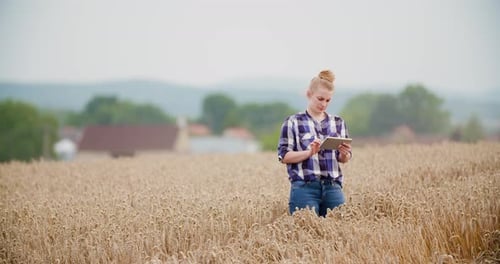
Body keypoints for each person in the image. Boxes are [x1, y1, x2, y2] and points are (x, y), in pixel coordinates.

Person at [277, 69, 352, 217]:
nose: (324, 104)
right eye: (320, 99)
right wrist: (309, 153)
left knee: (340, 233)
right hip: (304, 188)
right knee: (306, 233)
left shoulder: (338, 122)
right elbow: (284, 156)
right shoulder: (293, 122)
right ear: (309, 94)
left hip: (333, 188)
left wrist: (344, 154)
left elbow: (344, 159)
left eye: (328, 100)